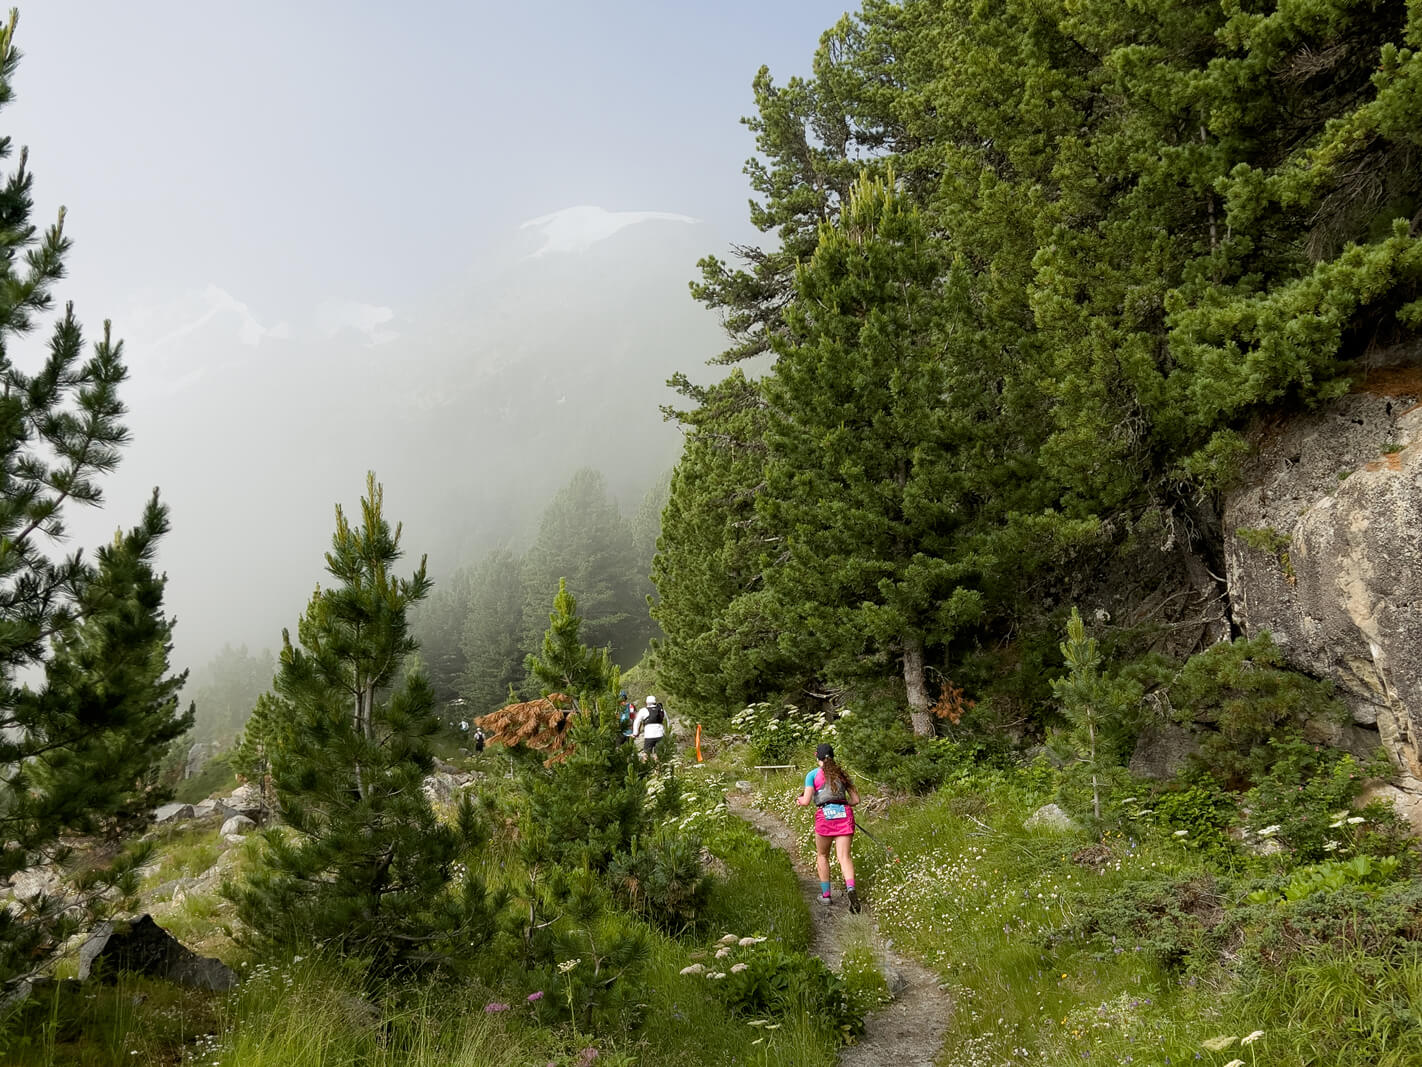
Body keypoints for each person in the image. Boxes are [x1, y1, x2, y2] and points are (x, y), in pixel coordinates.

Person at [797, 742, 860, 912]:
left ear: (816, 756)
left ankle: (826, 896)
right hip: (844, 815)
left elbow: (806, 801)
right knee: (844, 857)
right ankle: (851, 888)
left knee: (822, 855)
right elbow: (856, 800)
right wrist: (841, 803)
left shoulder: (812, 775)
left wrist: (799, 800)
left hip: (825, 816)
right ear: (832, 756)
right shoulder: (843, 775)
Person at [632, 694, 667, 759]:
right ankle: (658, 768)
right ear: (655, 702)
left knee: (646, 754)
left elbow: (637, 722)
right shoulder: (661, 710)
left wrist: (635, 733)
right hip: (660, 734)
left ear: (646, 702)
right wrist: (667, 734)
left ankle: (645, 767)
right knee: (658, 755)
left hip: (649, 736)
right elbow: (667, 722)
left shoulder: (643, 710)